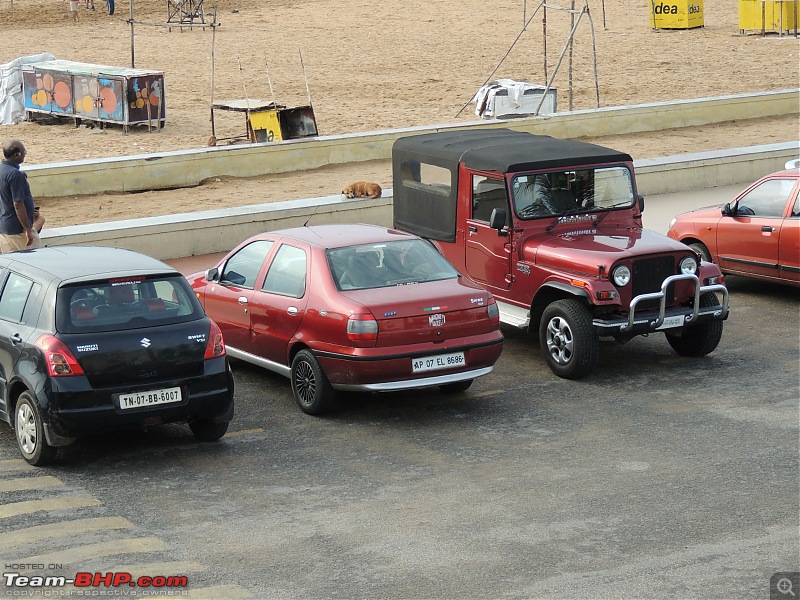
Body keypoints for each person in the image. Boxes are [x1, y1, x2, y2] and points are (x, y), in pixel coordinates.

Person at [0, 140, 42, 253]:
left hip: (6, 227)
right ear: (16, 155)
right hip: (18, 230)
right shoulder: (15, 175)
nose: (25, 153)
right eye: (24, 151)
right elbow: (18, 204)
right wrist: (28, 230)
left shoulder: (2, 170)